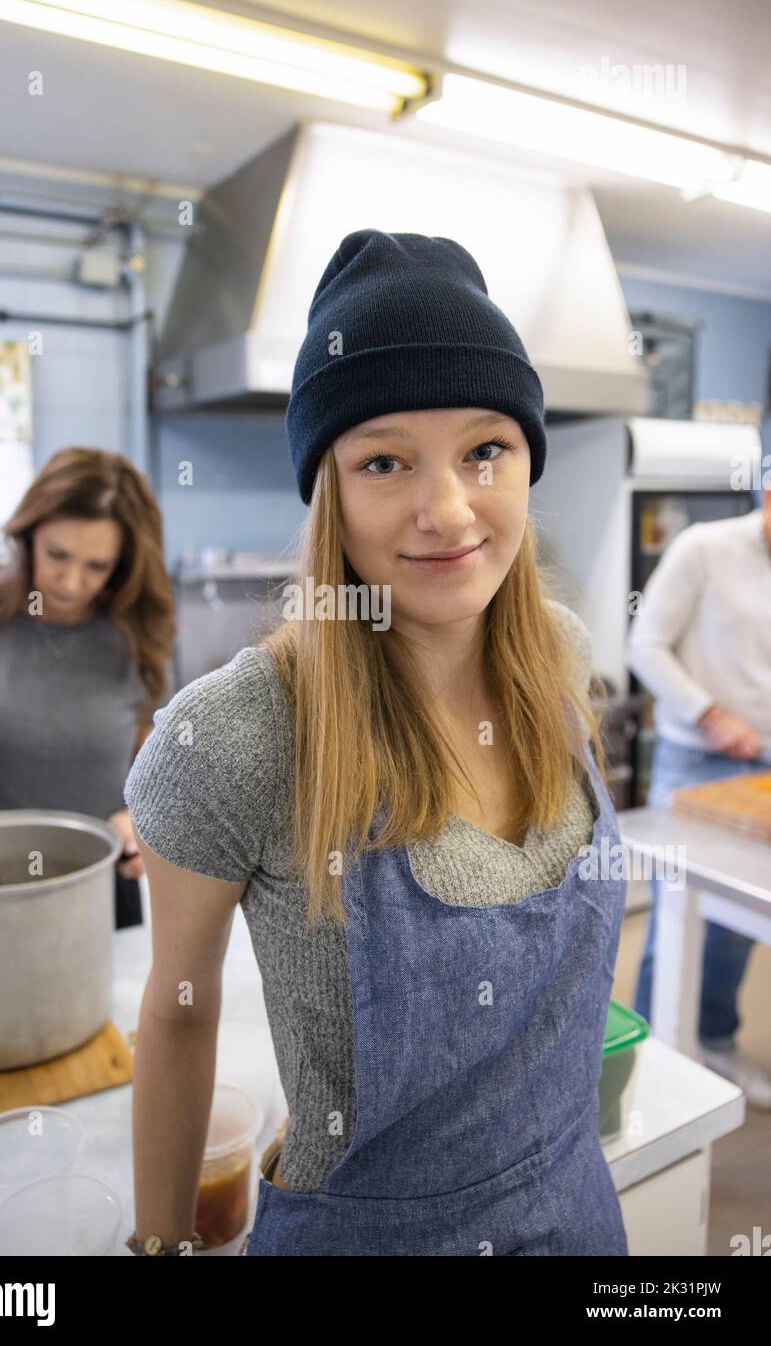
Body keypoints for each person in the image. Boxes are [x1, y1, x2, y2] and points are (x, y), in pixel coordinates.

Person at [123, 229, 629, 1258]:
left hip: (578, 1214)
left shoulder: (563, 662)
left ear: (529, 457)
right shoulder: (233, 739)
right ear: (329, 493)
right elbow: (178, 1015)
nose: (446, 510)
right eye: (385, 460)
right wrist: (160, 1248)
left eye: (485, 448)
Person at [0, 447, 175, 929]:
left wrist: (140, 823)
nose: (71, 583)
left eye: (97, 566)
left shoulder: (138, 634)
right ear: (27, 536)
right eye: (57, 555)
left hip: (95, 892)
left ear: (125, 564)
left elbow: (155, 777)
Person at [627, 492, 771, 1108]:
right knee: (675, 921)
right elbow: (645, 647)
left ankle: (714, 1044)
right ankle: (647, 1064)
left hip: (760, 771)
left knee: (738, 927)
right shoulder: (704, 550)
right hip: (697, 761)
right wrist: (710, 717)